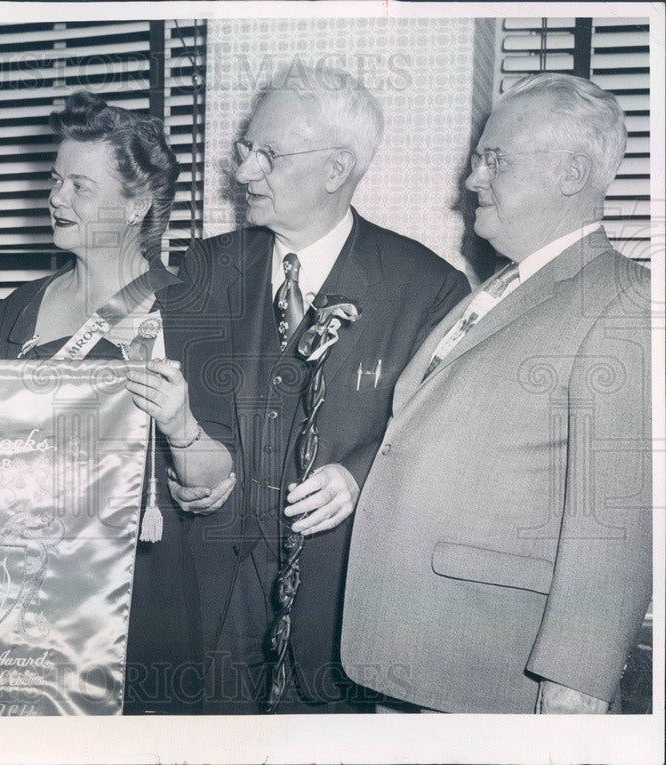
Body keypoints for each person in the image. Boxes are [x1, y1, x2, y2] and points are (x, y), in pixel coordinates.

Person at [339, 73, 652, 713]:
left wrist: (577, 680)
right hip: (414, 655)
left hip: (498, 671)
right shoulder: (499, 288)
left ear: (571, 174)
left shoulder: (624, 298)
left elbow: (617, 513)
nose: (473, 180)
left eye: (495, 160)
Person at [175, 65, 470, 713]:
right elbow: (163, 413)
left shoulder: (428, 289)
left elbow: (453, 442)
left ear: (337, 170)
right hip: (204, 615)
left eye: (267, 155)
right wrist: (179, 465)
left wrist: (362, 474)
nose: (243, 172)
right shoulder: (203, 269)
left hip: (333, 629)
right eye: (244, 150)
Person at [0, 91, 235, 714]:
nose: (55, 198)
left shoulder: (192, 313)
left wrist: (180, 427)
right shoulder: (16, 309)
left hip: (139, 589)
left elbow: (218, 479)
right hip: (28, 584)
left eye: (80, 185)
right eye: (54, 179)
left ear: (138, 204)